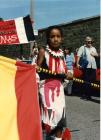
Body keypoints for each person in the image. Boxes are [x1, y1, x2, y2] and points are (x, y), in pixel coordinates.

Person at [37, 26, 72, 140]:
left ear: (61, 38)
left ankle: (58, 138)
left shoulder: (62, 53)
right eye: (52, 36)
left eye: (58, 36)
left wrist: (69, 75)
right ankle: (48, 136)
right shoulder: (43, 51)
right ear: (48, 38)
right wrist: (36, 68)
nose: (55, 39)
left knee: (60, 114)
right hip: (46, 88)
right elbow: (36, 69)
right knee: (50, 115)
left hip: (59, 89)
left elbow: (65, 71)